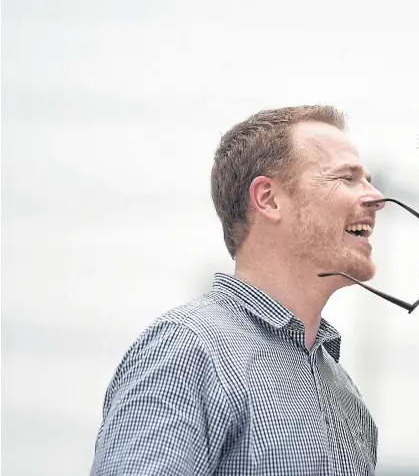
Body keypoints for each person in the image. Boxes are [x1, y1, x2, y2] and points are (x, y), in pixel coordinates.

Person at [91, 105, 386, 475]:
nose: (377, 197)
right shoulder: (188, 349)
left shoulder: (345, 394)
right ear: (268, 199)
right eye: (347, 177)